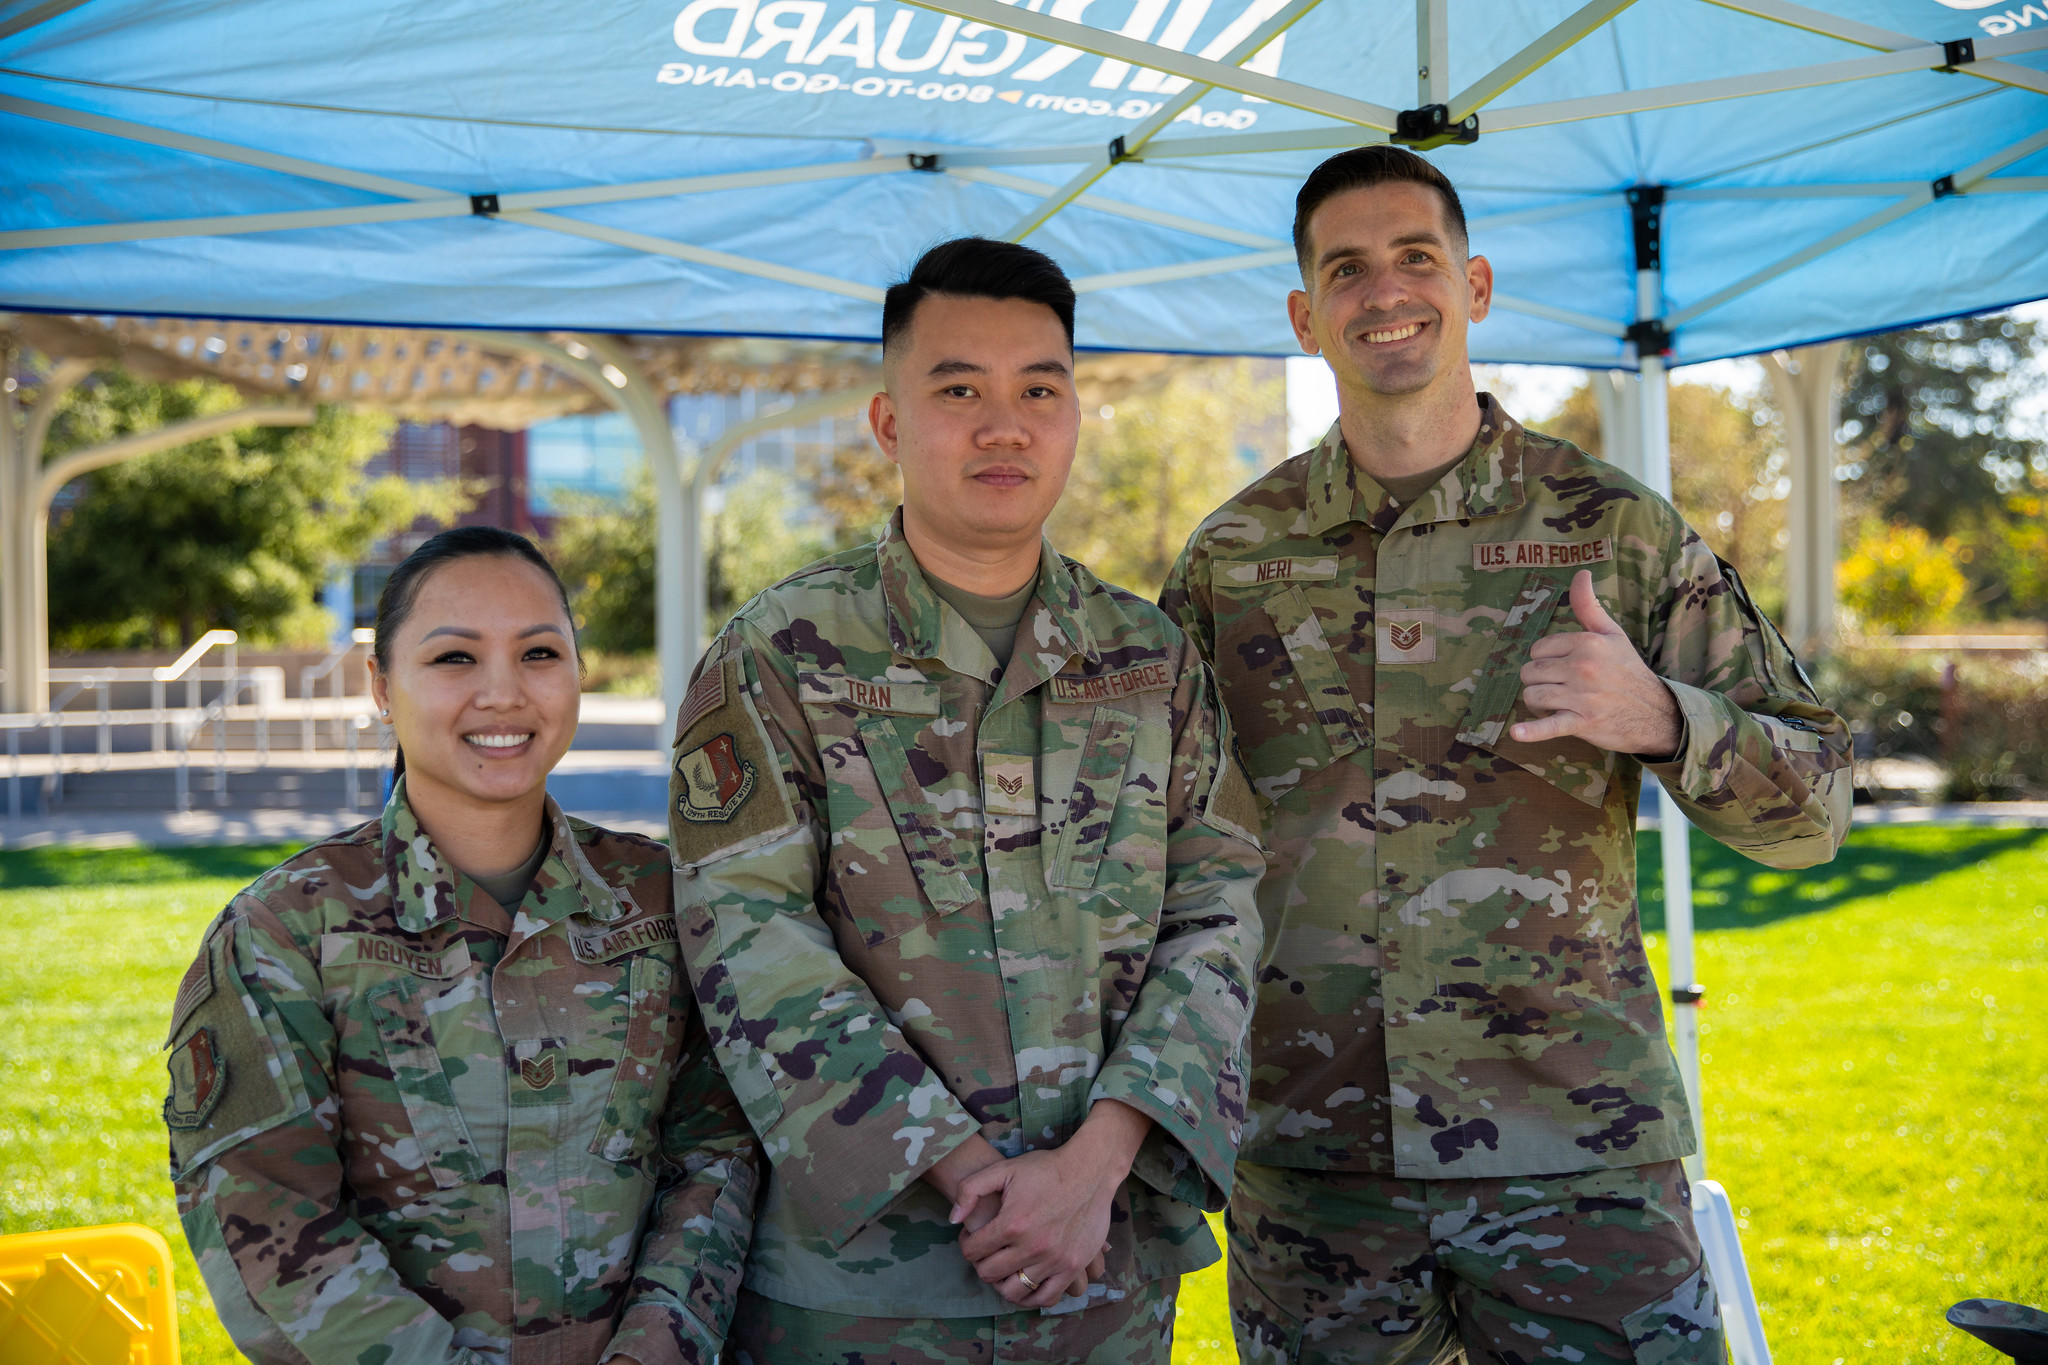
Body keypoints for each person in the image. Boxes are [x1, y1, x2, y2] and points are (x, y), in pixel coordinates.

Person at [1159, 147, 1854, 1365]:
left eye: (1415, 258)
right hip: (1317, 1164)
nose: (1385, 292)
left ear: (1472, 285)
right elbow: (1158, 843)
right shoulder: (1231, 558)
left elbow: (1816, 810)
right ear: (1302, 313)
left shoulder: (1613, 530)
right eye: (1347, 269)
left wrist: (1659, 719)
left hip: (1576, 1150)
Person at [667, 236, 1266, 1364]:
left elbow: (1217, 916)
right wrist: (972, 1177)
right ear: (889, 424)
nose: (1005, 425)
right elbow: (744, 936)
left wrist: (1091, 1170)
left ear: (1075, 413)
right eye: (958, 390)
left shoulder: (1149, 660)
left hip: (1102, 1272)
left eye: (1040, 388)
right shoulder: (778, 656)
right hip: (855, 1290)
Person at [162, 527, 760, 1365]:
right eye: (454, 659)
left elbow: (717, 1155)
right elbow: (264, 1212)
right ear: (380, 684)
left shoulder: (663, 899)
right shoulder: (286, 929)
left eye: (540, 653)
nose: (504, 694)